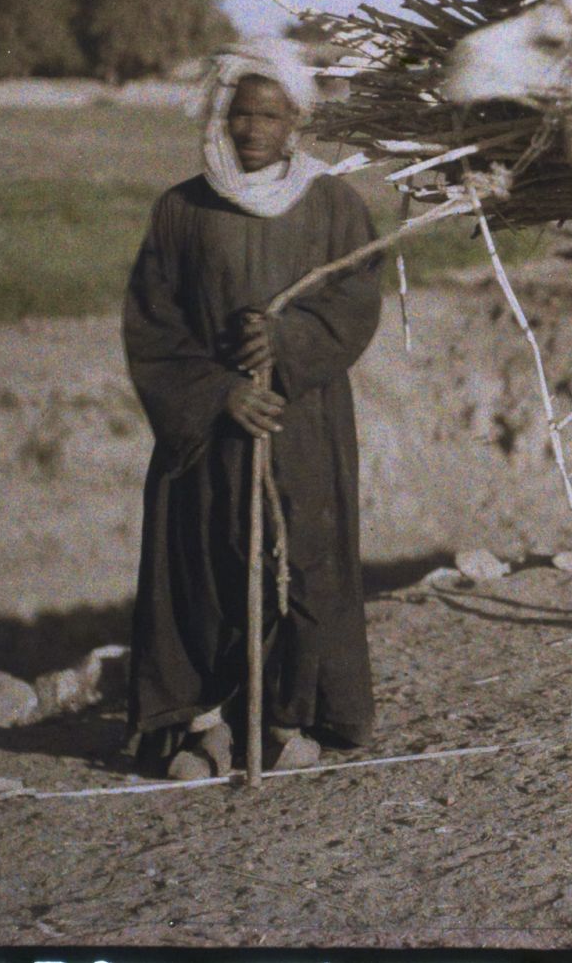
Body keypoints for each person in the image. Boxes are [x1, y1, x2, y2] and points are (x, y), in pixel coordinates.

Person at [122, 38, 383, 779]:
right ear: (222, 118)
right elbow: (153, 321)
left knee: (301, 562)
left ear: (296, 123)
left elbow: (355, 299)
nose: (252, 130)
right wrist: (219, 392)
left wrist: (288, 342)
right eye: (240, 115)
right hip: (206, 433)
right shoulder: (182, 209)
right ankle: (203, 727)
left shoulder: (333, 205)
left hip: (301, 421)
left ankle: (286, 718)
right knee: (203, 567)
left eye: (270, 116)